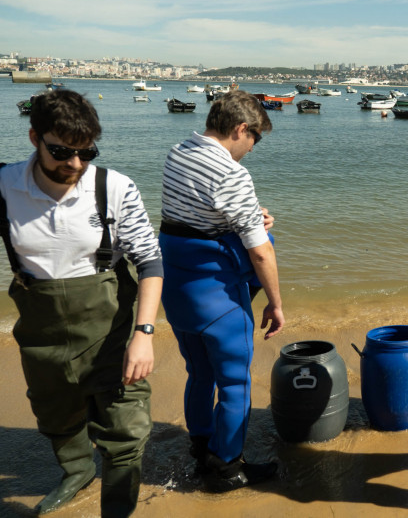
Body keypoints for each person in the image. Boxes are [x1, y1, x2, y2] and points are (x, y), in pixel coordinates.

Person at [0, 90, 163, 516]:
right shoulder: (4, 186)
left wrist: (145, 334)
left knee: (126, 432)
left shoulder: (113, 187)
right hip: (41, 330)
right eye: (60, 151)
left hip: (111, 327)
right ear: (34, 137)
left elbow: (150, 261)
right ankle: (76, 470)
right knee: (55, 412)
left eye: (85, 151)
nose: (73, 164)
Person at [158, 90, 284, 493]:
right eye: (255, 139)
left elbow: (191, 219)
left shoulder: (178, 152)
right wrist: (277, 304)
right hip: (217, 295)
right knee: (234, 383)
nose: (253, 148)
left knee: (199, 373)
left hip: (177, 288)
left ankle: (201, 448)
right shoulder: (231, 173)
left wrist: (249, 219)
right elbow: (260, 253)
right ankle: (227, 467)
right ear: (240, 129)